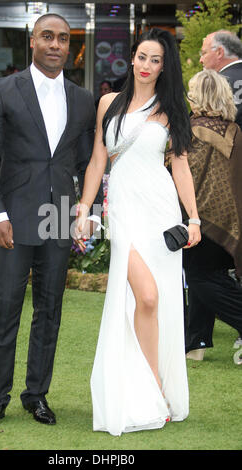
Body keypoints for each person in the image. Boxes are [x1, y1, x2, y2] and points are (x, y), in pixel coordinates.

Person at [0, 13, 102, 431]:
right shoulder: (3, 89)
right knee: (5, 307)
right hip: (12, 216)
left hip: (59, 217)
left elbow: (86, 161)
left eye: (64, 39)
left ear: (69, 46)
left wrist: (87, 208)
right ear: (32, 41)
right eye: (48, 36)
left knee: (50, 311)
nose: (56, 44)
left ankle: (37, 394)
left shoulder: (82, 100)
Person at [75, 28, 201, 436]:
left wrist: (193, 218)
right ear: (132, 58)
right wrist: (84, 208)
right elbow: (98, 160)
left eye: (156, 60)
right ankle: (151, 386)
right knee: (145, 295)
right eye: (143, 57)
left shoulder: (171, 108)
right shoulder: (109, 103)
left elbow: (179, 165)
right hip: (124, 211)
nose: (147, 66)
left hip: (161, 211)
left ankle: (157, 391)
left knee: (156, 302)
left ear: (164, 67)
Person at [184, 69, 242, 361]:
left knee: (199, 278)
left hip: (199, 219)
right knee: (207, 276)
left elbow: (185, 176)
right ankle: (196, 344)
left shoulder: (189, 129)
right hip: (231, 221)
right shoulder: (234, 129)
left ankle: (196, 341)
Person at [199, 30, 242, 129]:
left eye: (204, 53)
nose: (201, 60)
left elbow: (200, 129)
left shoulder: (212, 84)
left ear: (219, 52)